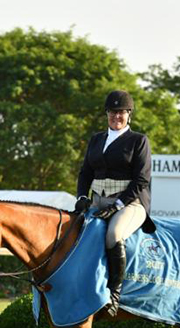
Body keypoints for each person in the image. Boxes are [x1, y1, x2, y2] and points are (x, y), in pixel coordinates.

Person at [75, 90, 156, 315]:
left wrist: (118, 205)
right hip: (98, 201)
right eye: (112, 112)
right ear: (107, 113)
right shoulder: (96, 139)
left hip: (131, 203)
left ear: (128, 114)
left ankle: (114, 294)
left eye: (121, 112)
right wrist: (82, 197)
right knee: (75, 231)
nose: (116, 117)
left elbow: (142, 180)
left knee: (113, 234)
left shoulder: (138, 140)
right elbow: (85, 173)